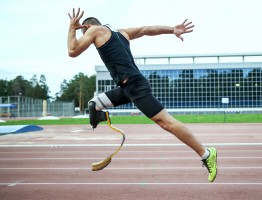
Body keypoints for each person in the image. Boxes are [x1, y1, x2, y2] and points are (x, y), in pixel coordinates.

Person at [67, 8, 217, 182]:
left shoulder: (95, 30)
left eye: (85, 35)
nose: (89, 41)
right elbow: (146, 29)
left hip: (134, 85)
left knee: (166, 122)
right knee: (95, 103)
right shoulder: (121, 33)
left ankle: (206, 153)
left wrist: (72, 28)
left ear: (88, 26)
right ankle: (99, 118)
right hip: (126, 88)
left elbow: (73, 51)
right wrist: (172, 29)